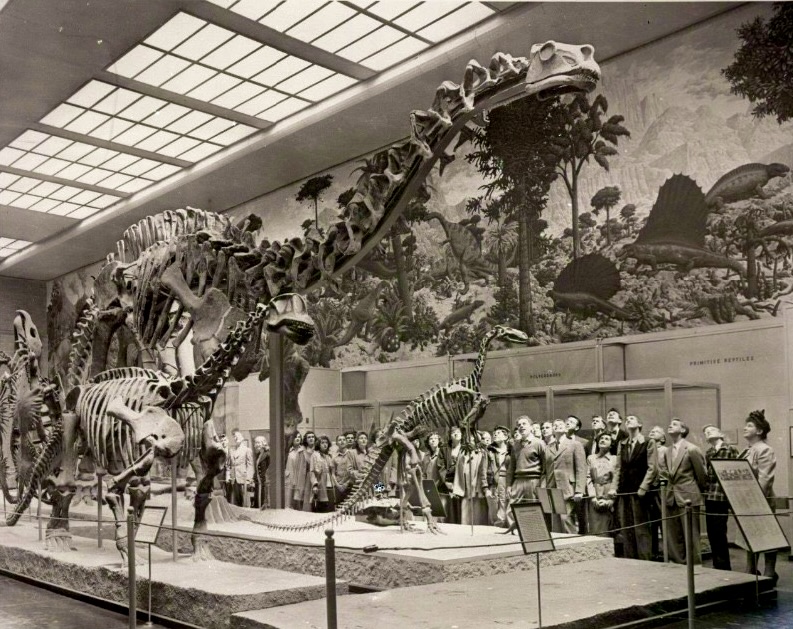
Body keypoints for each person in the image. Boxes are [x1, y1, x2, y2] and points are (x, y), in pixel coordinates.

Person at [659, 418, 707, 564]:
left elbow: (701, 475)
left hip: (688, 496)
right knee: (673, 534)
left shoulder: (692, 449)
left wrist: (696, 492)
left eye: (674, 424)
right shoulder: (667, 451)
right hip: (671, 496)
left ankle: (695, 565)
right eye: (669, 424)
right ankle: (678, 563)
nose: (670, 425)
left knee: (691, 534)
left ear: (683, 430)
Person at [740, 410, 778, 585]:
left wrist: (757, 501)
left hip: (761, 500)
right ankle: (751, 569)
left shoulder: (765, 449)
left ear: (760, 431)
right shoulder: (746, 450)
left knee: (767, 536)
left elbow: (765, 478)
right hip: (747, 500)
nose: (745, 428)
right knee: (750, 535)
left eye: (750, 425)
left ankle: (770, 572)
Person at [614, 415, 655, 560]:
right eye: (627, 420)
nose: (628, 420)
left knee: (641, 528)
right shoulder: (622, 443)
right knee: (627, 527)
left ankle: (645, 559)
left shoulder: (648, 442)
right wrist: (614, 487)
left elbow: (652, 468)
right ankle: (630, 559)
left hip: (640, 492)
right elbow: (618, 468)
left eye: (632, 418)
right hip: (624, 491)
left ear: (640, 424)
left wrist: (643, 487)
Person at [701, 424, 739, 570]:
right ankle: (717, 565)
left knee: (719, 532)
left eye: (711, 430)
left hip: (722, 496)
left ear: (720, 433)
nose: (708, 432)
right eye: (706, 432)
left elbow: (734, 472)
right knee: (712, 533)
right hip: (710, 496)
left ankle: (723, 566)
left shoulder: (730, 450)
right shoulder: (709, 452)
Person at [545, 419, 586, 534]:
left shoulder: (575, 444)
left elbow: (581, 469)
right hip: (552, 487)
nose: (557, 426)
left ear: (566, 428)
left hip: (568, 488)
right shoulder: (548, 447)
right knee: (555, 522)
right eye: (555, 425)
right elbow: (546, 470)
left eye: (561, 424)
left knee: (567, 519)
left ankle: (573, 543)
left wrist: (579, 490)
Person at [505, 416, 545, 532]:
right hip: (518, 481)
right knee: (511, 508)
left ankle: (532, 533)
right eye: (519, 425)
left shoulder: (539, 443)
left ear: (531, 427)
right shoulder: (515, 445)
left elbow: (545, 466)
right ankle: (515, 532)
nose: (521, 426)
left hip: (533, 480)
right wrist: (509, 485)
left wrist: (542, 483)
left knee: (533, 508)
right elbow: (511, 467)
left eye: (524, 424)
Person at [453, 433, 489, 525]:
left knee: (477, 509)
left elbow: (483, 469)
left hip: (476, 485)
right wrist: (457, 488)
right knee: (465, 508)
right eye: (468, 438)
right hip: (465, 485)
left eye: (472, 438)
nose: (470, 440)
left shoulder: (481, 452)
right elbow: (458, 470)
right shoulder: (462, 452)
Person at [586, 433, 617, 535]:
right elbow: (588, 478)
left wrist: (611, 500)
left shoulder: (615, 459)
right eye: (601, 438)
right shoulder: (591, 458)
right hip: (594, 494)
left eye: (607, 439)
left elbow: (616, 478)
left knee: (609, 527)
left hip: (609, 494)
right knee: (595, 527)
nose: (603, 440)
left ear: (611, 444)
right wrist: (592, 497)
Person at [563, 415, 590, 534]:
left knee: (581, 515)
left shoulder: (584, 442)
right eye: (567, 421)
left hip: (577, 484)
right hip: (563, 484)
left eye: (571, 422)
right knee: (565, 516)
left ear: (577, 427)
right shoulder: (558, 441)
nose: (568, 423)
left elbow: (583, 466)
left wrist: (580, 488)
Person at [647, 425, 668, 560]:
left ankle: (667, 552)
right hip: (648, 490)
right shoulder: (647, 450)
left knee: (663, 519)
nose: (652, 432)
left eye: (656, 431)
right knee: (650, 522)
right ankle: (653, 552)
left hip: (661, 489)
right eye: (651, 431)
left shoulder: (665, 451)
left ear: (663, 438)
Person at [487, 425, 511, 527]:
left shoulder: (511, 451)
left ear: (506, 437)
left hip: (506, 480)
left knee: (504, 504)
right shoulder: (489, 451)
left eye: (498, 433)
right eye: (494, 434)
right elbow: (484, 469)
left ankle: (502, 527)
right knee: (493, 505)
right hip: (493, 481)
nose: (495, 435)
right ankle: (494, 527)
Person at [442, 427, 464, 524]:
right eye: (453, 432)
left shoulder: (464, 448)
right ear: (450, 435)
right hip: (448, 481)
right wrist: (445, 481)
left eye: (458, 432)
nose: (456, 434)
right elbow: (440, 466)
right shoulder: (444, 449)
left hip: (461, 480)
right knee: (449, 507)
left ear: (462, 435)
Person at [312, 435, 338, 513]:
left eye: (326, 442)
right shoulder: (315, 455)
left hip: (330, 482)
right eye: (322, 443)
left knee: (331, 505)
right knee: (322, 505)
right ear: (318, 444)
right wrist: (314, 484)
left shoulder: (329, 456)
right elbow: (312, 471)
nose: (325, 444)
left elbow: (332, 470)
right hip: (320, 483)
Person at [293, 431, 318, 511]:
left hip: (316, 478)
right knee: (304, 500)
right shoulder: (301, 452)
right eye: (309, 437)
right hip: (304, 478)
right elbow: (297, 468)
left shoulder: (318, 451)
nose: (311, 439)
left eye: (312, 437)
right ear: (306, 440)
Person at [228, 430, 253, 507]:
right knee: (235, 500)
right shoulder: (232, 450)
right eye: (234, 437)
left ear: (242, 438)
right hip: (234, 478)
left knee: (244, 499)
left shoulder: (247, 450)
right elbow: (230, 464)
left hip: (243, 477)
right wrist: (229, 475)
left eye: (237, 436)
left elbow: (250, 465)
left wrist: (249, 478)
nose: (236, 438)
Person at [284, 432, 302, 508]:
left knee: (298, 502)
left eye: (299, 437)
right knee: (288, 501)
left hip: (299, 478)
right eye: (295, 437)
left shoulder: (303, 450)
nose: (297, 438)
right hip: (289, 478)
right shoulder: (288, 451)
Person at [333, 434, 353, 502]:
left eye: (344, 440)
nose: (342, 441)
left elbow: (354, 470)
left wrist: (347, 483)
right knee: (339, 506)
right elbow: (332, 473)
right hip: (339, 487)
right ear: (336, 443)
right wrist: (338, 485)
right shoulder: (334, 457)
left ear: (346, 442)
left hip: (350, 485)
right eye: (340, 440)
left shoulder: (352, 454)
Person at [252, 436, 270, 509]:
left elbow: (270, 468)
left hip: (265, 482)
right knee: (258, 502)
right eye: (256, 443)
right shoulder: (258, 454)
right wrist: (254, 478)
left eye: (258, 443)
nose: (256, 444)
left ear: (263, 443)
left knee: (264, 501)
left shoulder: (268, 454)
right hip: (258, 482)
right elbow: (257, 469)